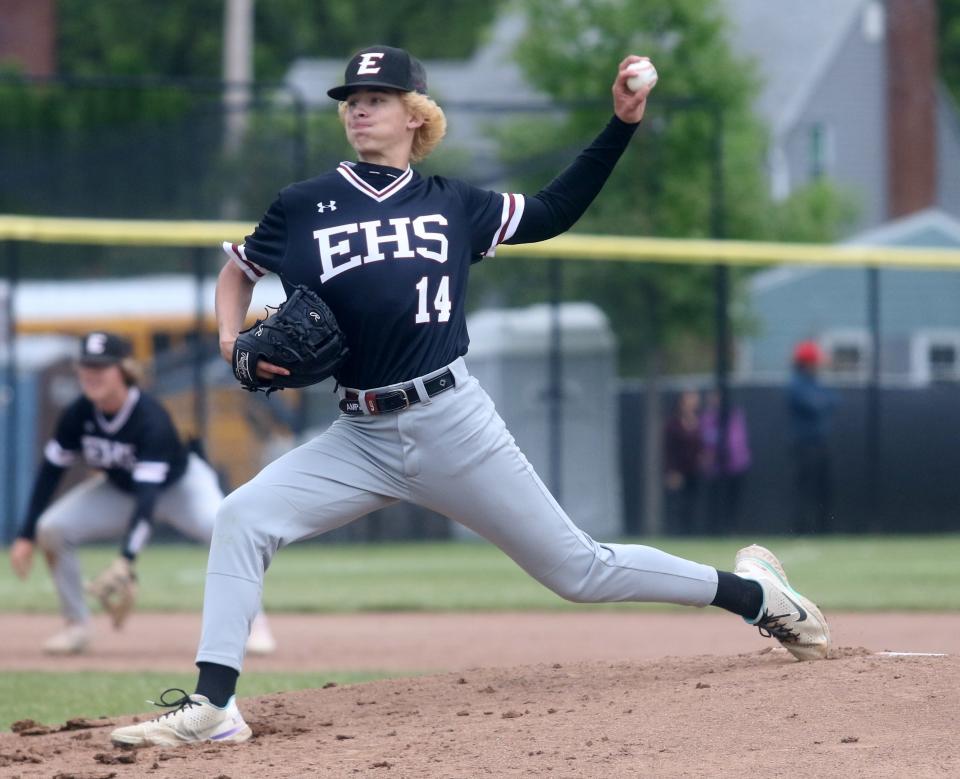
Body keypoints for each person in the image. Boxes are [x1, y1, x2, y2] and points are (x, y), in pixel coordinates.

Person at [110, 47, 830, 748]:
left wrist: (622, 125)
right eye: (352, 102)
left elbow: (552, 210)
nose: (359, 111)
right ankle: (214, 705)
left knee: (579, 571)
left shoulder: (454, 203)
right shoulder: (303, 205)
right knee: (241, 516)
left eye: (376, 100)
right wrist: (229, 341)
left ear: (415, 115)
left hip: (451, 421)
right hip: (358, 436)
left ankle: (758, 596)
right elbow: (237, 270)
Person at [8, 331, 275, 656]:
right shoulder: (77, 414)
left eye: (102, 366)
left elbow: (149, 497)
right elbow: (51, 472)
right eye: (86, 366)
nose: (92, 374)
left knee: (225, 531)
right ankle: (76, 626)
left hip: (181, 488)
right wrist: (25, 535)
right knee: (52, 528)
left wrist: (126, 560)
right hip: (122, 491)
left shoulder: (150, 418)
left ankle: (255, 624)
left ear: (124, 369)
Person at [787, 340, 838, 534]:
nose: (818, 366)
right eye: (815, 362)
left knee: (823, 489)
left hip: (821, 444)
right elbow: (814, 404)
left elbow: (834, 400)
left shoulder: (815, 383)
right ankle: (802, 530)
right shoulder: (796, 384)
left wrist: (821, 400)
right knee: (804, 490)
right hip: (804, 445)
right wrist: (821, 400)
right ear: (807, 363)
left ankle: (823, 529)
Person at [700, 390, 752, 533]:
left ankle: (732, 529)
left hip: (735, 466)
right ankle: (715, 530)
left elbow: (737, 441)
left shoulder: (734, 416)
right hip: (716, 468)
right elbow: (707, 438)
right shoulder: (708, 417)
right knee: (716, 502)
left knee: (733, 501)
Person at [662, 390, 704, 535]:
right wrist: (672, 471)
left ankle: (693, 532)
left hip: (695, 469)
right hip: (678, 470)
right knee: (679, 504)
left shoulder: (699, 421)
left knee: (693, 502)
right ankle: (677, 533)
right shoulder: (673, 424)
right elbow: (669, 449)